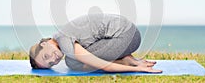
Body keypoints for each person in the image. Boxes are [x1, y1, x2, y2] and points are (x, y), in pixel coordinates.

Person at [29, 13, 162, 73]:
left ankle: (127, 61)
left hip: (127, 37)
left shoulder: (65, 42)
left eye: (46, 56)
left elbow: (105, 67)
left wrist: (138, 69)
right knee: (75, 59)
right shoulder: (60, 34)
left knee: (73, 62)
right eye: (51, 63)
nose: (54, 59)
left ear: (43, 44)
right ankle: (128, 58)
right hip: (129, 31)